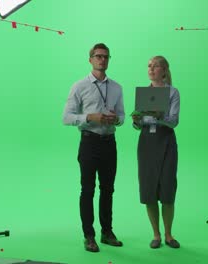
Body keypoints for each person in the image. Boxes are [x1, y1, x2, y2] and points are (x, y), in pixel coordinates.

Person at [63, 43, 125, 253]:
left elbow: (123, 117)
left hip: (109, 143)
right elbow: (66, 117)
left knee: (108, 190)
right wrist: (90, 117)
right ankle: (89, 236)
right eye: (98, 56)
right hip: (89, 142)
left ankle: (107, 232)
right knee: (87, 190)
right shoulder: (79, 86)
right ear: (90, 59)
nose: (102, 60)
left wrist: (116, 120)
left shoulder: (116, 87)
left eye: (106, 56)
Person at [132, 55, 180, 249]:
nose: (151, 69)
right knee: (148, 188)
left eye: (156, 66)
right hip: (146, 142)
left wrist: (160, 117)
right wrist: (136, 121)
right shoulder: (144, 93)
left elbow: (174, 121)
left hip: (165, 139)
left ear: (164, 70)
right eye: (149, 65)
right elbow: (140, 124)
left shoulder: (172, 92)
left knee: (167, 187)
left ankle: (169, 234)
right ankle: (156, 234)